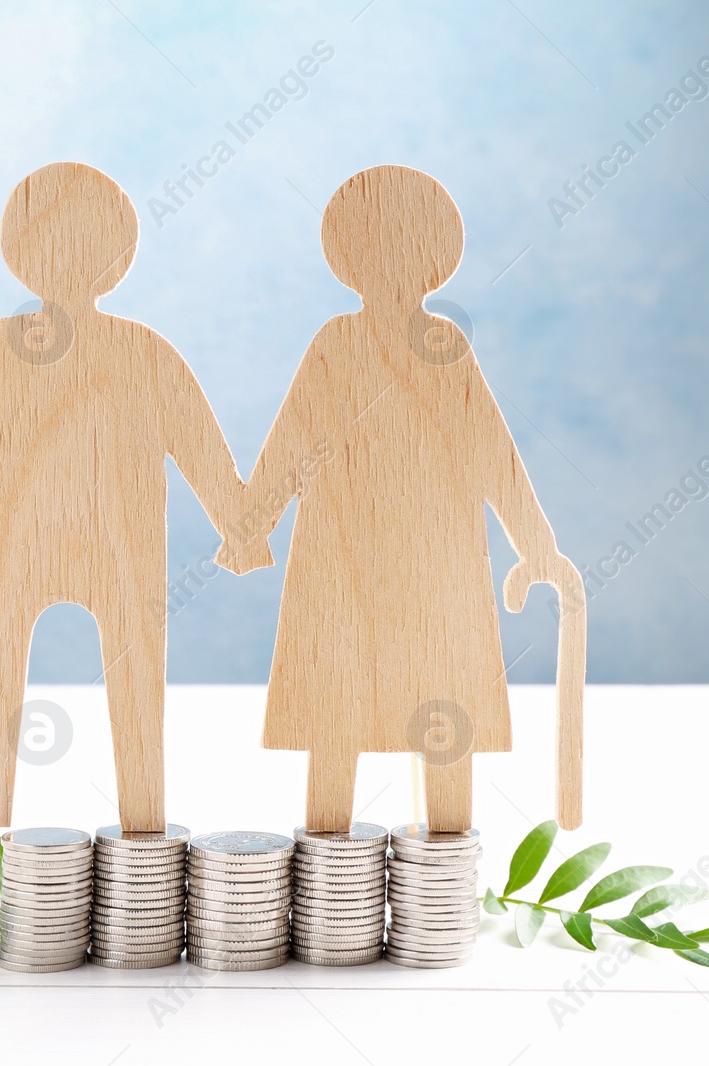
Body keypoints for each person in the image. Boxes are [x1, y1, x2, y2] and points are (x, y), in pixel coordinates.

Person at [0, 162, 267, 830]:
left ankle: (106, 839)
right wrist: (243, 528)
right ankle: (72, 836)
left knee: (92, 690)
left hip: (87, 553)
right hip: (29, 552)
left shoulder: (8, 353)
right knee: (38, 685)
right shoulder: (124, 353)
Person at [233, 165, 580, 832]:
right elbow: (292, 445)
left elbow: (490, 453)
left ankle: (438, 864)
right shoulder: (349, 345)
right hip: (358, 564)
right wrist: (251, 525)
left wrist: (538, 548)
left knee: (430, 708)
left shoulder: (431, 347)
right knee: (359, 710)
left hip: (423, 569)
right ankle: (335, 871)